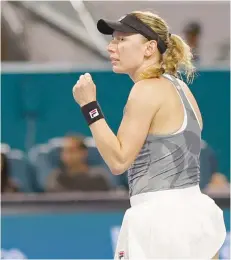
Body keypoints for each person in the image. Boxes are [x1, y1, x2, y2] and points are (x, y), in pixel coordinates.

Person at [72, 11, 226, 259]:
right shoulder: (180, 88)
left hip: (161, 221)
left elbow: (118, 161)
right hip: (197, 217)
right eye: (113, 40)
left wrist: (89, 106)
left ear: (149, 48)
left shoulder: (146, 90)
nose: (112, 47)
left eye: (122, 40)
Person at [46, 135, 111, 192]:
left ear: (83, 152)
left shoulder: (98, 178)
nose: (67, 155)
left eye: (71, 151)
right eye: (64, 151)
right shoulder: (55, 179)